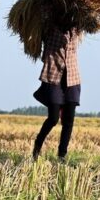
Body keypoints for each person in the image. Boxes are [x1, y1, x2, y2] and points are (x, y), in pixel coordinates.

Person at [32, 19, 82, 162]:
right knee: (53, 118)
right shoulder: (50, 26)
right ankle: (37, 145)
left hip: (72, 77)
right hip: (53, 75)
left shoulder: (76, 27)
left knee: (68, 120)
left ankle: (62, 155)